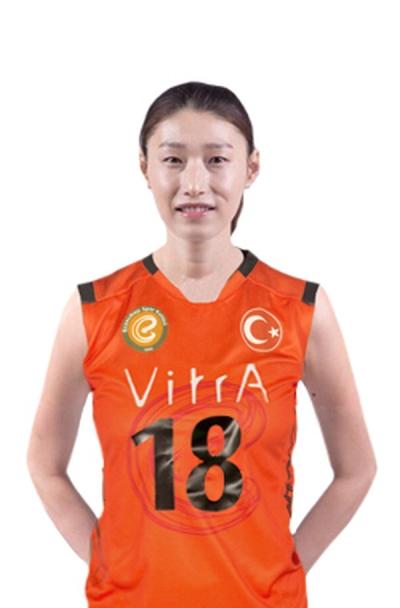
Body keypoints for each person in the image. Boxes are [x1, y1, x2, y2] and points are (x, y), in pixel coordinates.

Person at [26, 81, 377, 608]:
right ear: (144, 167)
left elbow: (356, 470)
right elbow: (44, 463)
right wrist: (106, 560)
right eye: (173, 159)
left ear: (251, 168)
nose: (195, 183)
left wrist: (285, 568)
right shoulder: (94, 310)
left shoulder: (300, 308)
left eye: (217, 159)